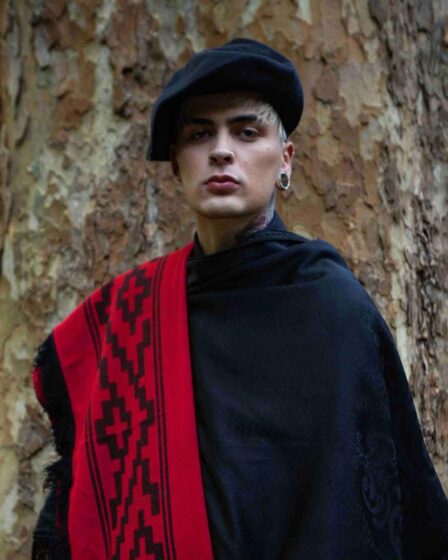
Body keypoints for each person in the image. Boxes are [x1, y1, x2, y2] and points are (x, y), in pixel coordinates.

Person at [32, 38, 448, 560]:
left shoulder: (332, 310)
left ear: (285, 160)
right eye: (199, 134)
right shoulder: (130, 316)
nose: (222, 150)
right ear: (176, 164)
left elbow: (365, 508)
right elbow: (86, 498)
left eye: (247, 132)